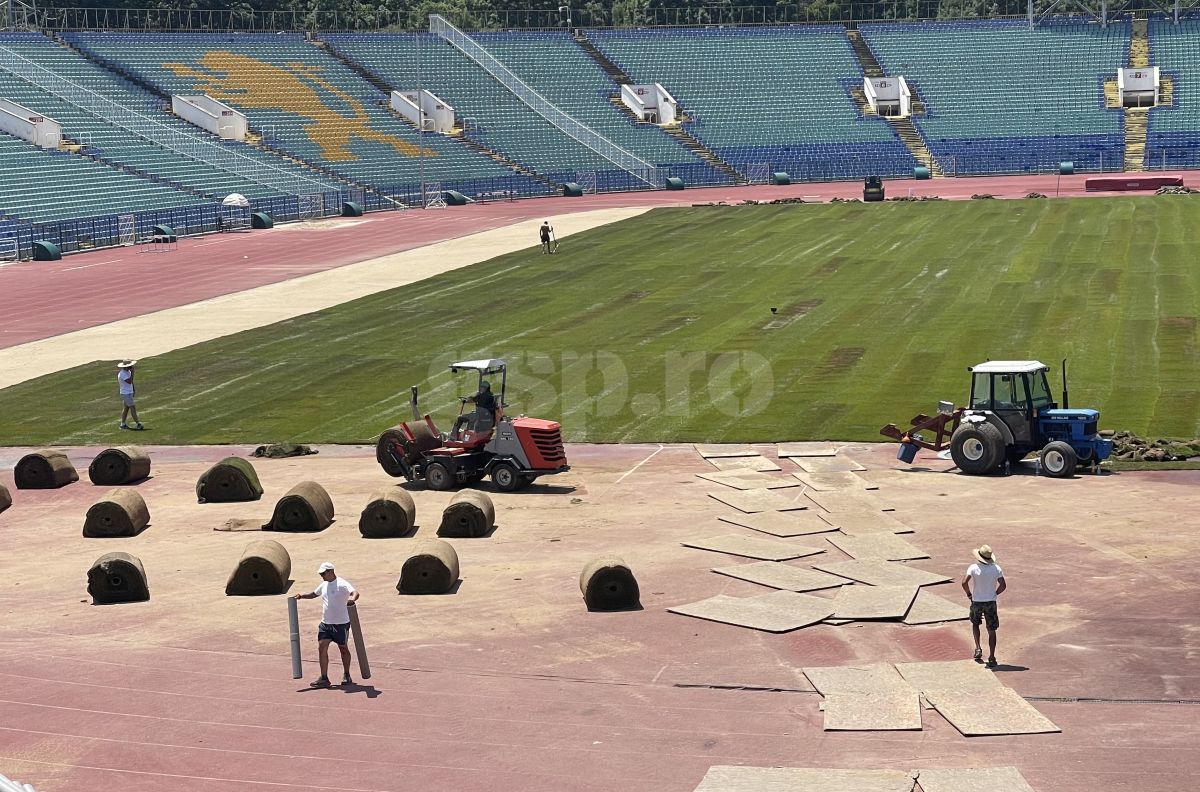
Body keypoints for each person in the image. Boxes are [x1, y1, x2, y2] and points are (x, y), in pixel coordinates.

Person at [294, 562, 359, 687]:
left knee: (343, 648)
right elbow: (314, 594)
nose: (322, 576)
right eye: (320, 574)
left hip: (341, 624)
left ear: (331, 571)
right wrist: (301, 596)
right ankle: (324, 677)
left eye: (323, 573)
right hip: (325, 623)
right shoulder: (324, 585)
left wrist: (352, 599)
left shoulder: (342, 583)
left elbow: (355, 592)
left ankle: (347, 674)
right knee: (321, 648)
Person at [962, 544, 1005, 668]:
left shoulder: (973, 568)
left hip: (976, 601)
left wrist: (969, 594)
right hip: (990, 602)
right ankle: (992, 657)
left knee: (975, 624)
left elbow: (964, 582)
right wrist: (995, 593)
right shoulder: (996, 568)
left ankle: (978, 648)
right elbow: (1003, 585)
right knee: (991, 630)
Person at [116, 359, 144, 431]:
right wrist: (133, 373)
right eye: (130, 366)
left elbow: (131, 382)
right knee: (132, 407)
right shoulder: (122, 374)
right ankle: (138, 424)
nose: (132, 367)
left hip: (129, 392)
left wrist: (133, 389)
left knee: (126, 408)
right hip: (125, 393)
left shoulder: (128, 372)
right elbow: (129, 381)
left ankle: (123, 424)